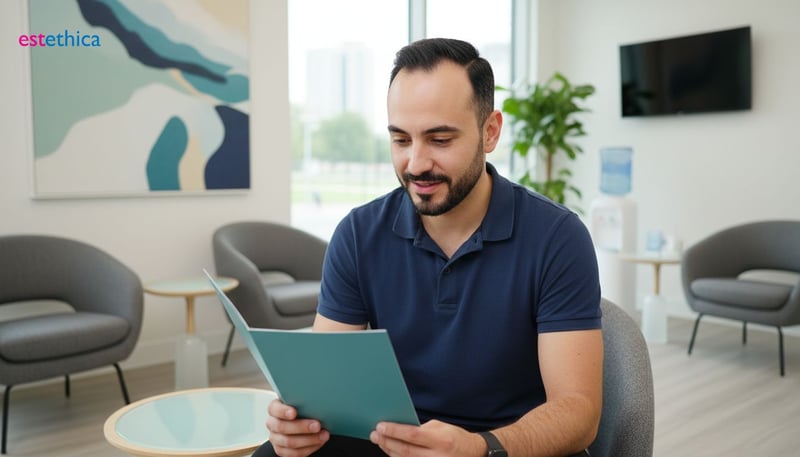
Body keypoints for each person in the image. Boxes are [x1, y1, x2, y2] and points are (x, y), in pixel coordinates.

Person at [254, 38, 603, 457]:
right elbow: (326, 387)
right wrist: (297, 424)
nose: (416, 164)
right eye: (401, 140)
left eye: (439, 140)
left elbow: (578, 412)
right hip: (395, 442)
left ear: (490, 131)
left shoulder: (557, 237)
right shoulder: (358, 234)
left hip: (507, 446)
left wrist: (479, 448)